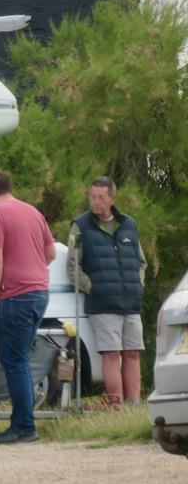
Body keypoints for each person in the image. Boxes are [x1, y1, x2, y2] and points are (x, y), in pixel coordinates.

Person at [0, 171, 56, 444]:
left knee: (15, 362)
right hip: (39, 292)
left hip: (13, 296)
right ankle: (21, 421)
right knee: (21, 358)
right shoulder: (32, 212)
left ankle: (24, 424)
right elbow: (51, 254)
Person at [67, 176, 146, 411]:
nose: (96, 202)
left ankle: (134, 406)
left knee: (132, 353)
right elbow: (72, 267)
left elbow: (141, 262)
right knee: (111, 354)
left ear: (112, 198)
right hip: (102, 303)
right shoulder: (80, 226)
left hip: (131, 301)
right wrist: (92, 287)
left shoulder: (129, 224)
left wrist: (138, 284)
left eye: (101, 197)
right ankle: (116, 406)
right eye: (92, 197)